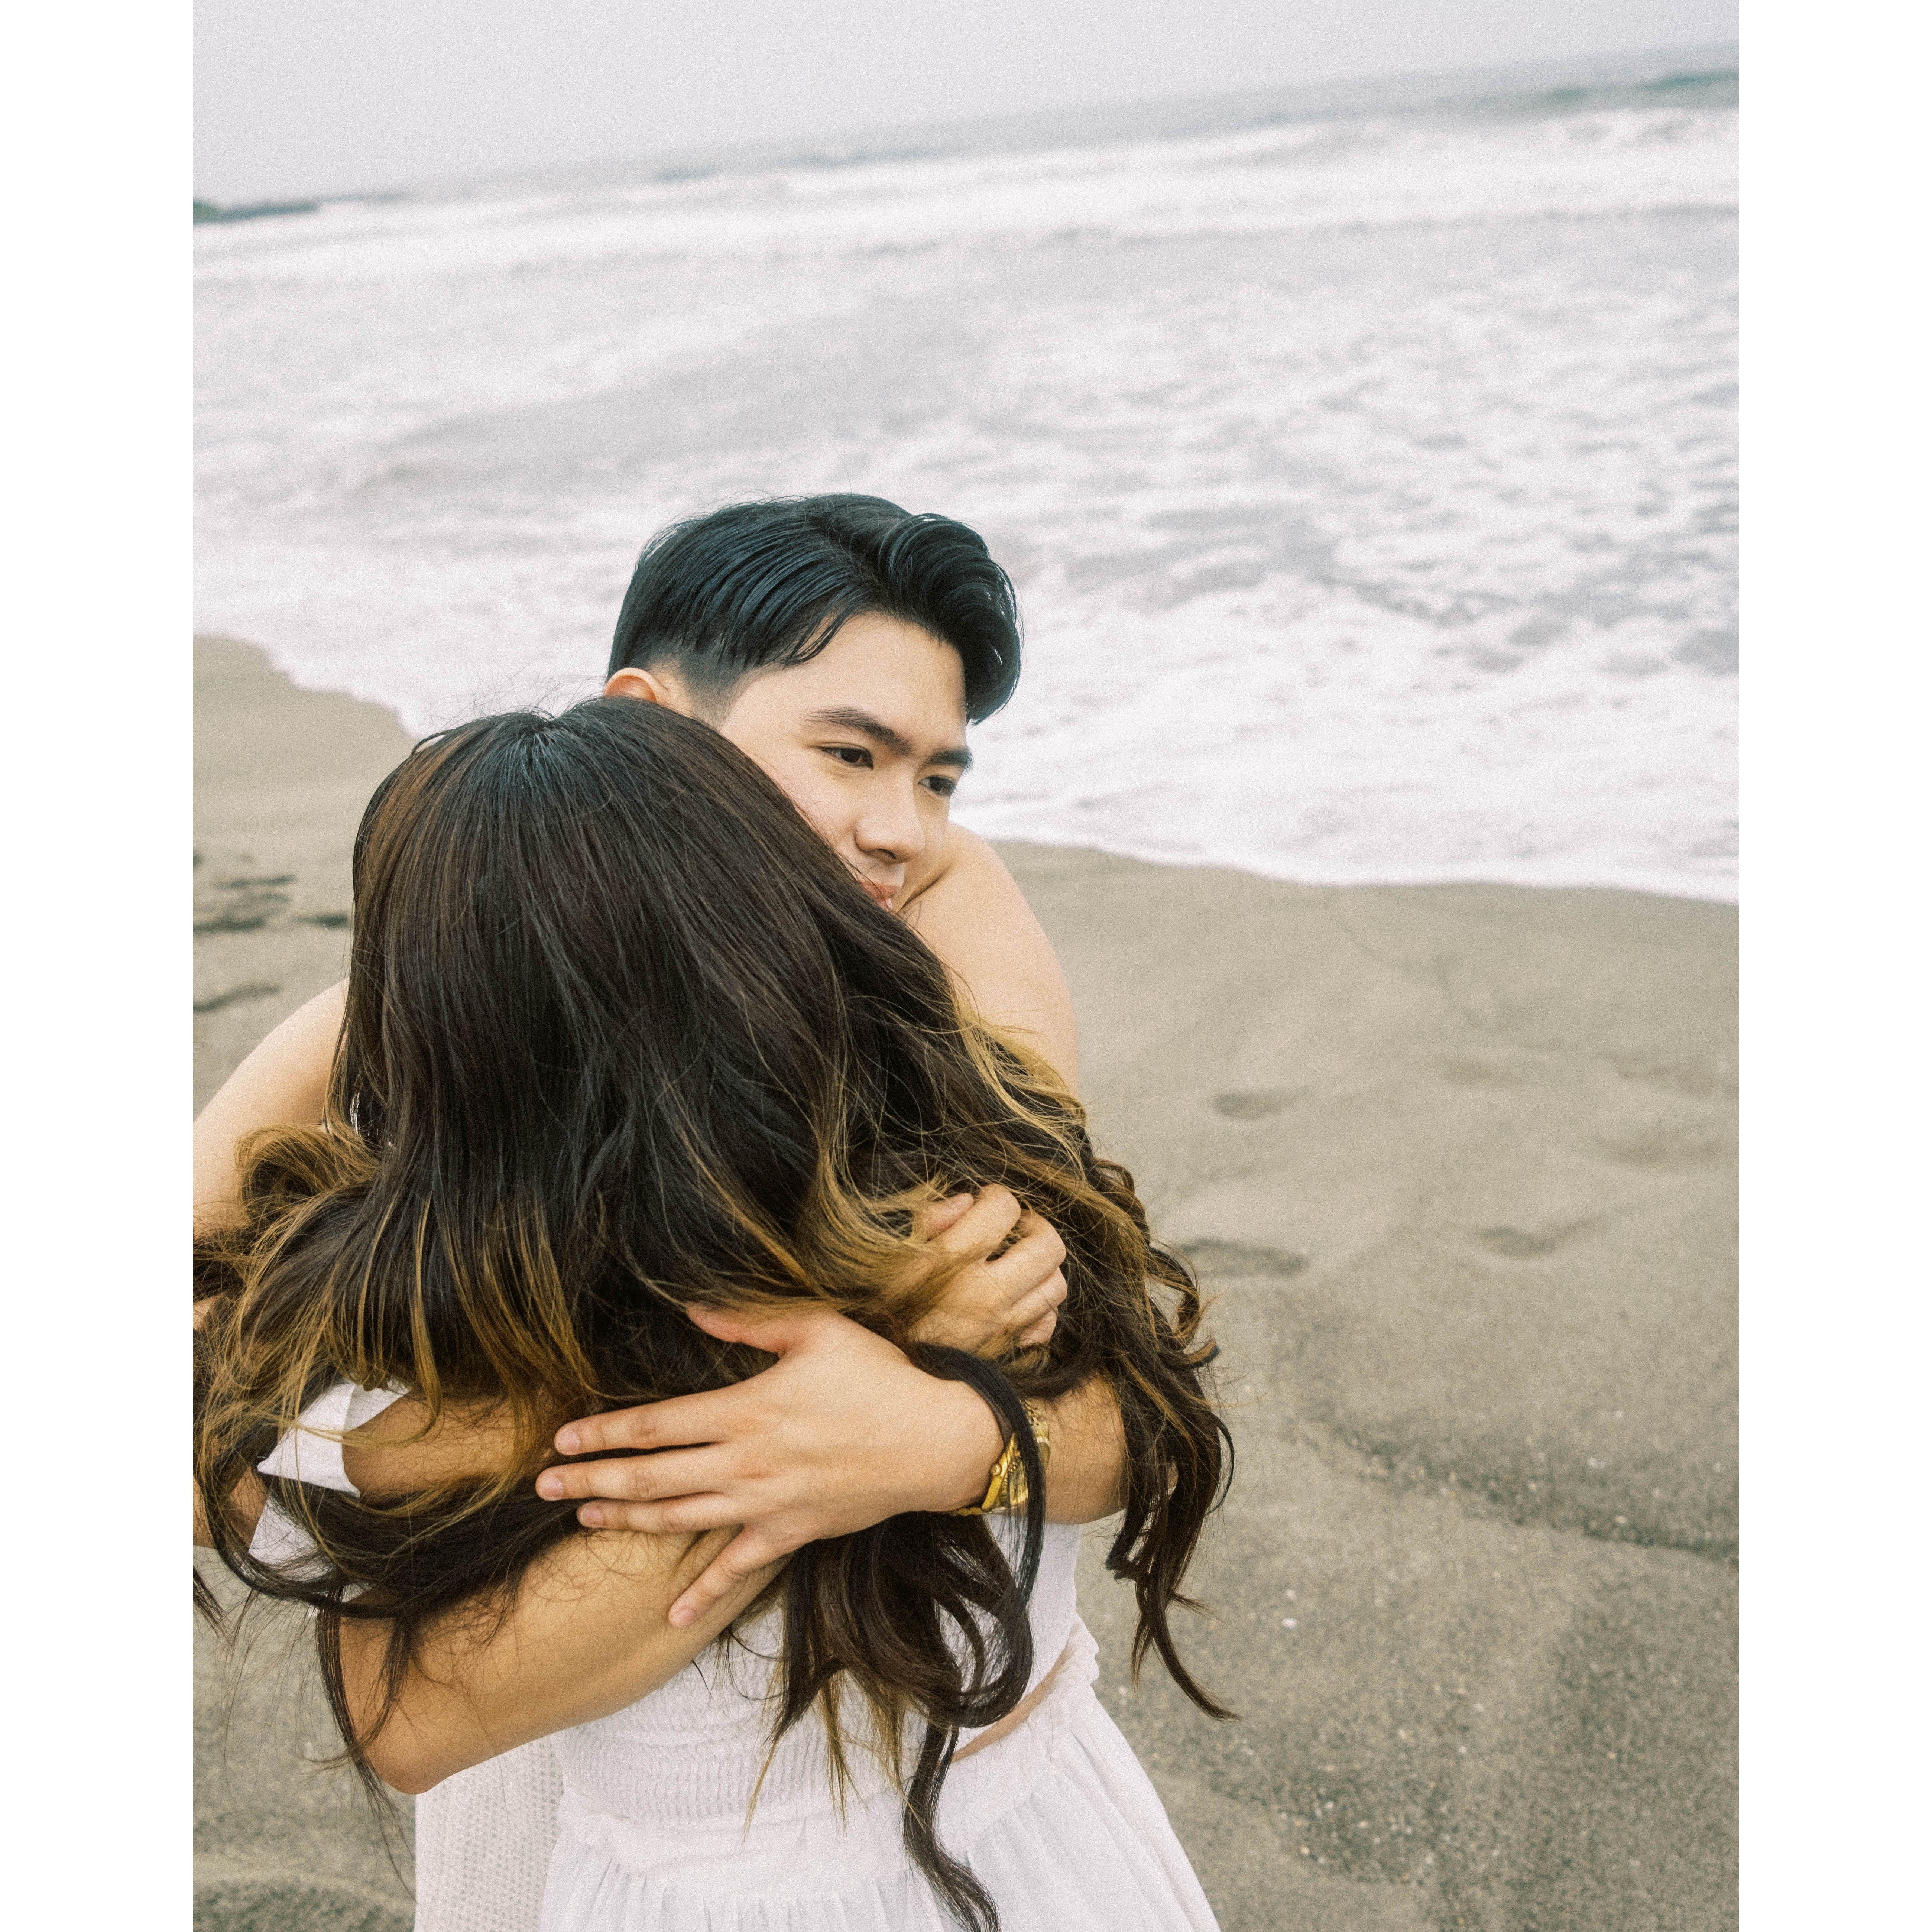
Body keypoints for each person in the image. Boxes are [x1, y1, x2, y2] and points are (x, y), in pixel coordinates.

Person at [192, 496, 1141, 1927]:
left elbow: (1125, 1397)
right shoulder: (449, 1104)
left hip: (1003, 1816)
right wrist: (887, 1346)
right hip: (604, 1804)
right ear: (647, 726)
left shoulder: (934, 1033)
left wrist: (945, 1434)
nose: (902, 831)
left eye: (940, 776)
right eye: (849, 755)